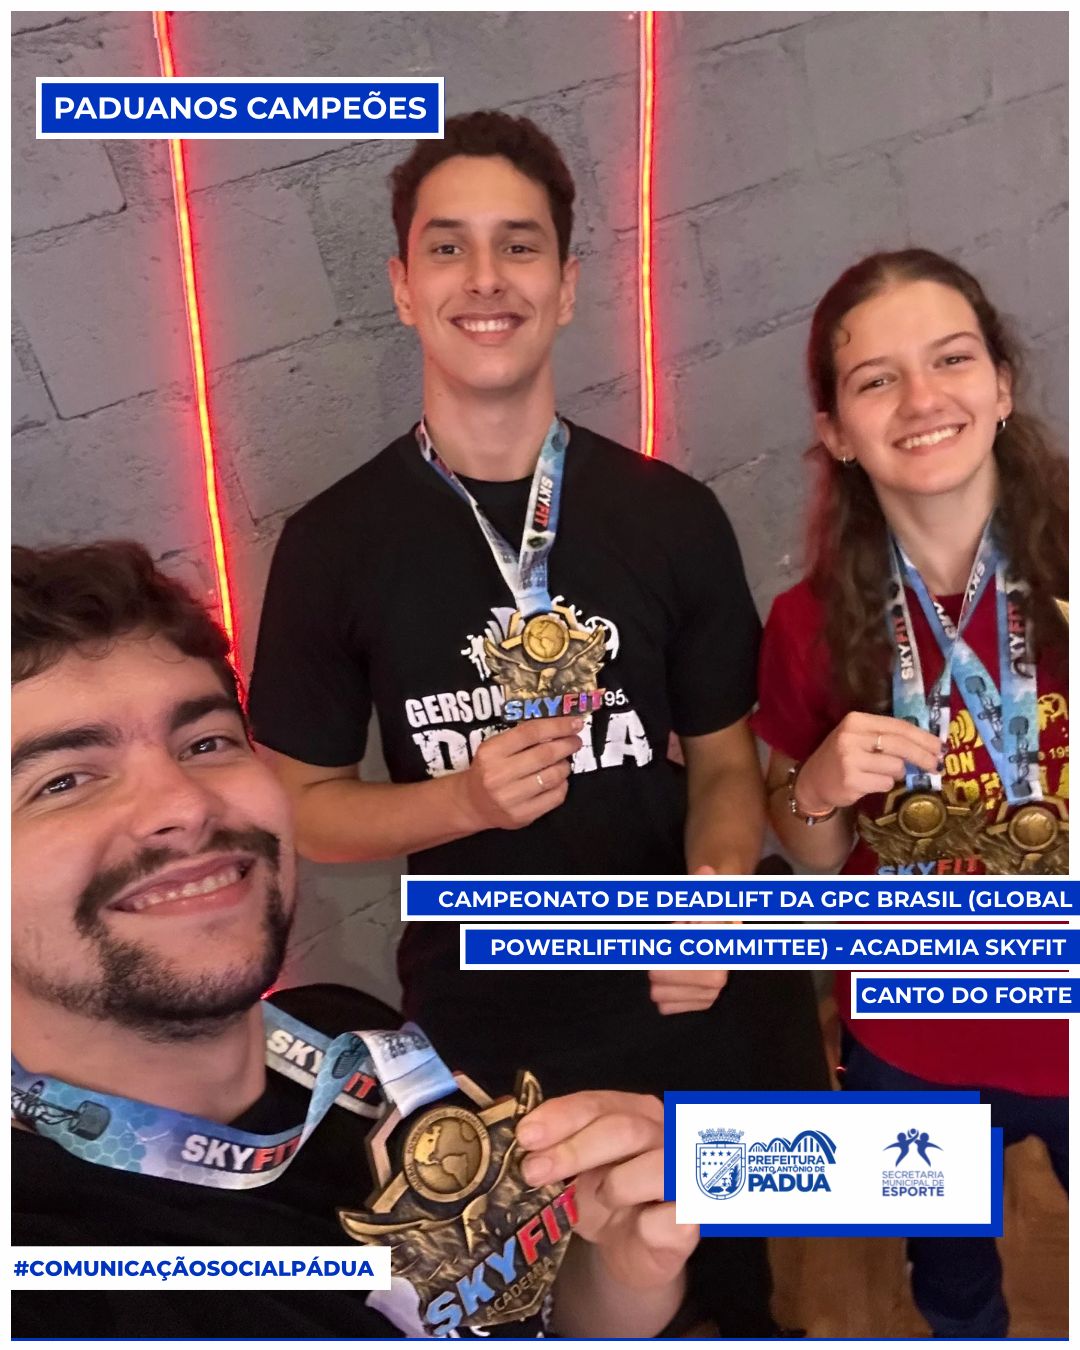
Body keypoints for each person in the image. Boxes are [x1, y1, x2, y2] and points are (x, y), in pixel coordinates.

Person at [248, 109, 828, 1335]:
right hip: (497, 1015)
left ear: (566, 287)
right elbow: (297, 807)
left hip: (696, 986)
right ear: (402, 287)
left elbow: (727, 764)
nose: (485, 277)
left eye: (518, 246)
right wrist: (459, 801)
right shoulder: (334, 544)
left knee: (734, 1296)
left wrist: (718, 896)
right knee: (551, 1312)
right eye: (447, 247)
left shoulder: (671, 514)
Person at [11, 540, 700, 1340]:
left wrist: (616, 1271)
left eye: (206, 743)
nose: (185, 804)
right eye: (64, 781)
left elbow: (523, 1317)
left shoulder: (354, 1046)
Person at [753, 249, 1068, 1338]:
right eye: (877, 379)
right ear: (837, 430)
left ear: (1003, 385)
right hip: (912, 1029)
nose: (923, 399)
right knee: (953, 1288)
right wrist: (816, 787)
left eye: (952, 360)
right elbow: (810, 855)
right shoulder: (804, 625)